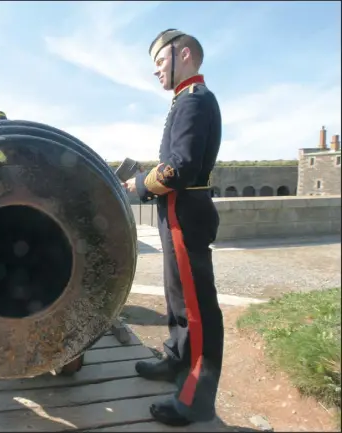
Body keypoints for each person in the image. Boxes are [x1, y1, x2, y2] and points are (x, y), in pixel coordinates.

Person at [123, 29, 224, 426]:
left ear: (183, 54)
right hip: (176, 211)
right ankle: (176, 359)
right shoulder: (184, 101)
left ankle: (195, 399)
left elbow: (179, 168)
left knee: (197, 310)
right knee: (178, 299)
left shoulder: (195, 102)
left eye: (160, 61)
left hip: (185, 213)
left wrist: (141, 183)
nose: (156, 71)